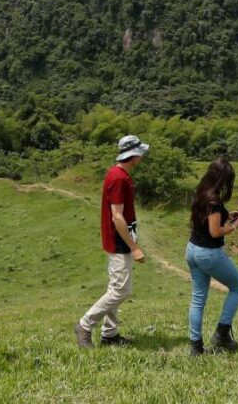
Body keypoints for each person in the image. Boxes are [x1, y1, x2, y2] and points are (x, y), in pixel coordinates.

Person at [74, 135, 149, 348]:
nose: (142, 157)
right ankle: (85, 324)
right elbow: (117, 216)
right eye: (140, 153)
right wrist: (134, 247)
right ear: (133, 154)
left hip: (119, 239)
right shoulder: (119, 179)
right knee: (121, 291)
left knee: (114, 287)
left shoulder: (119, 175)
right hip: (119, 242)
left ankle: (110, 334)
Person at [186, 158, 238, 356]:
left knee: (198, 299)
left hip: (192, 249)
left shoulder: (201, 193)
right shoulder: (214, 200)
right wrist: (233, 227)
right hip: (209, 253)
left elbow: (208, 219)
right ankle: (222, 333)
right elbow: (215, 231)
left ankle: (196, 347)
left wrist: (227, 215)